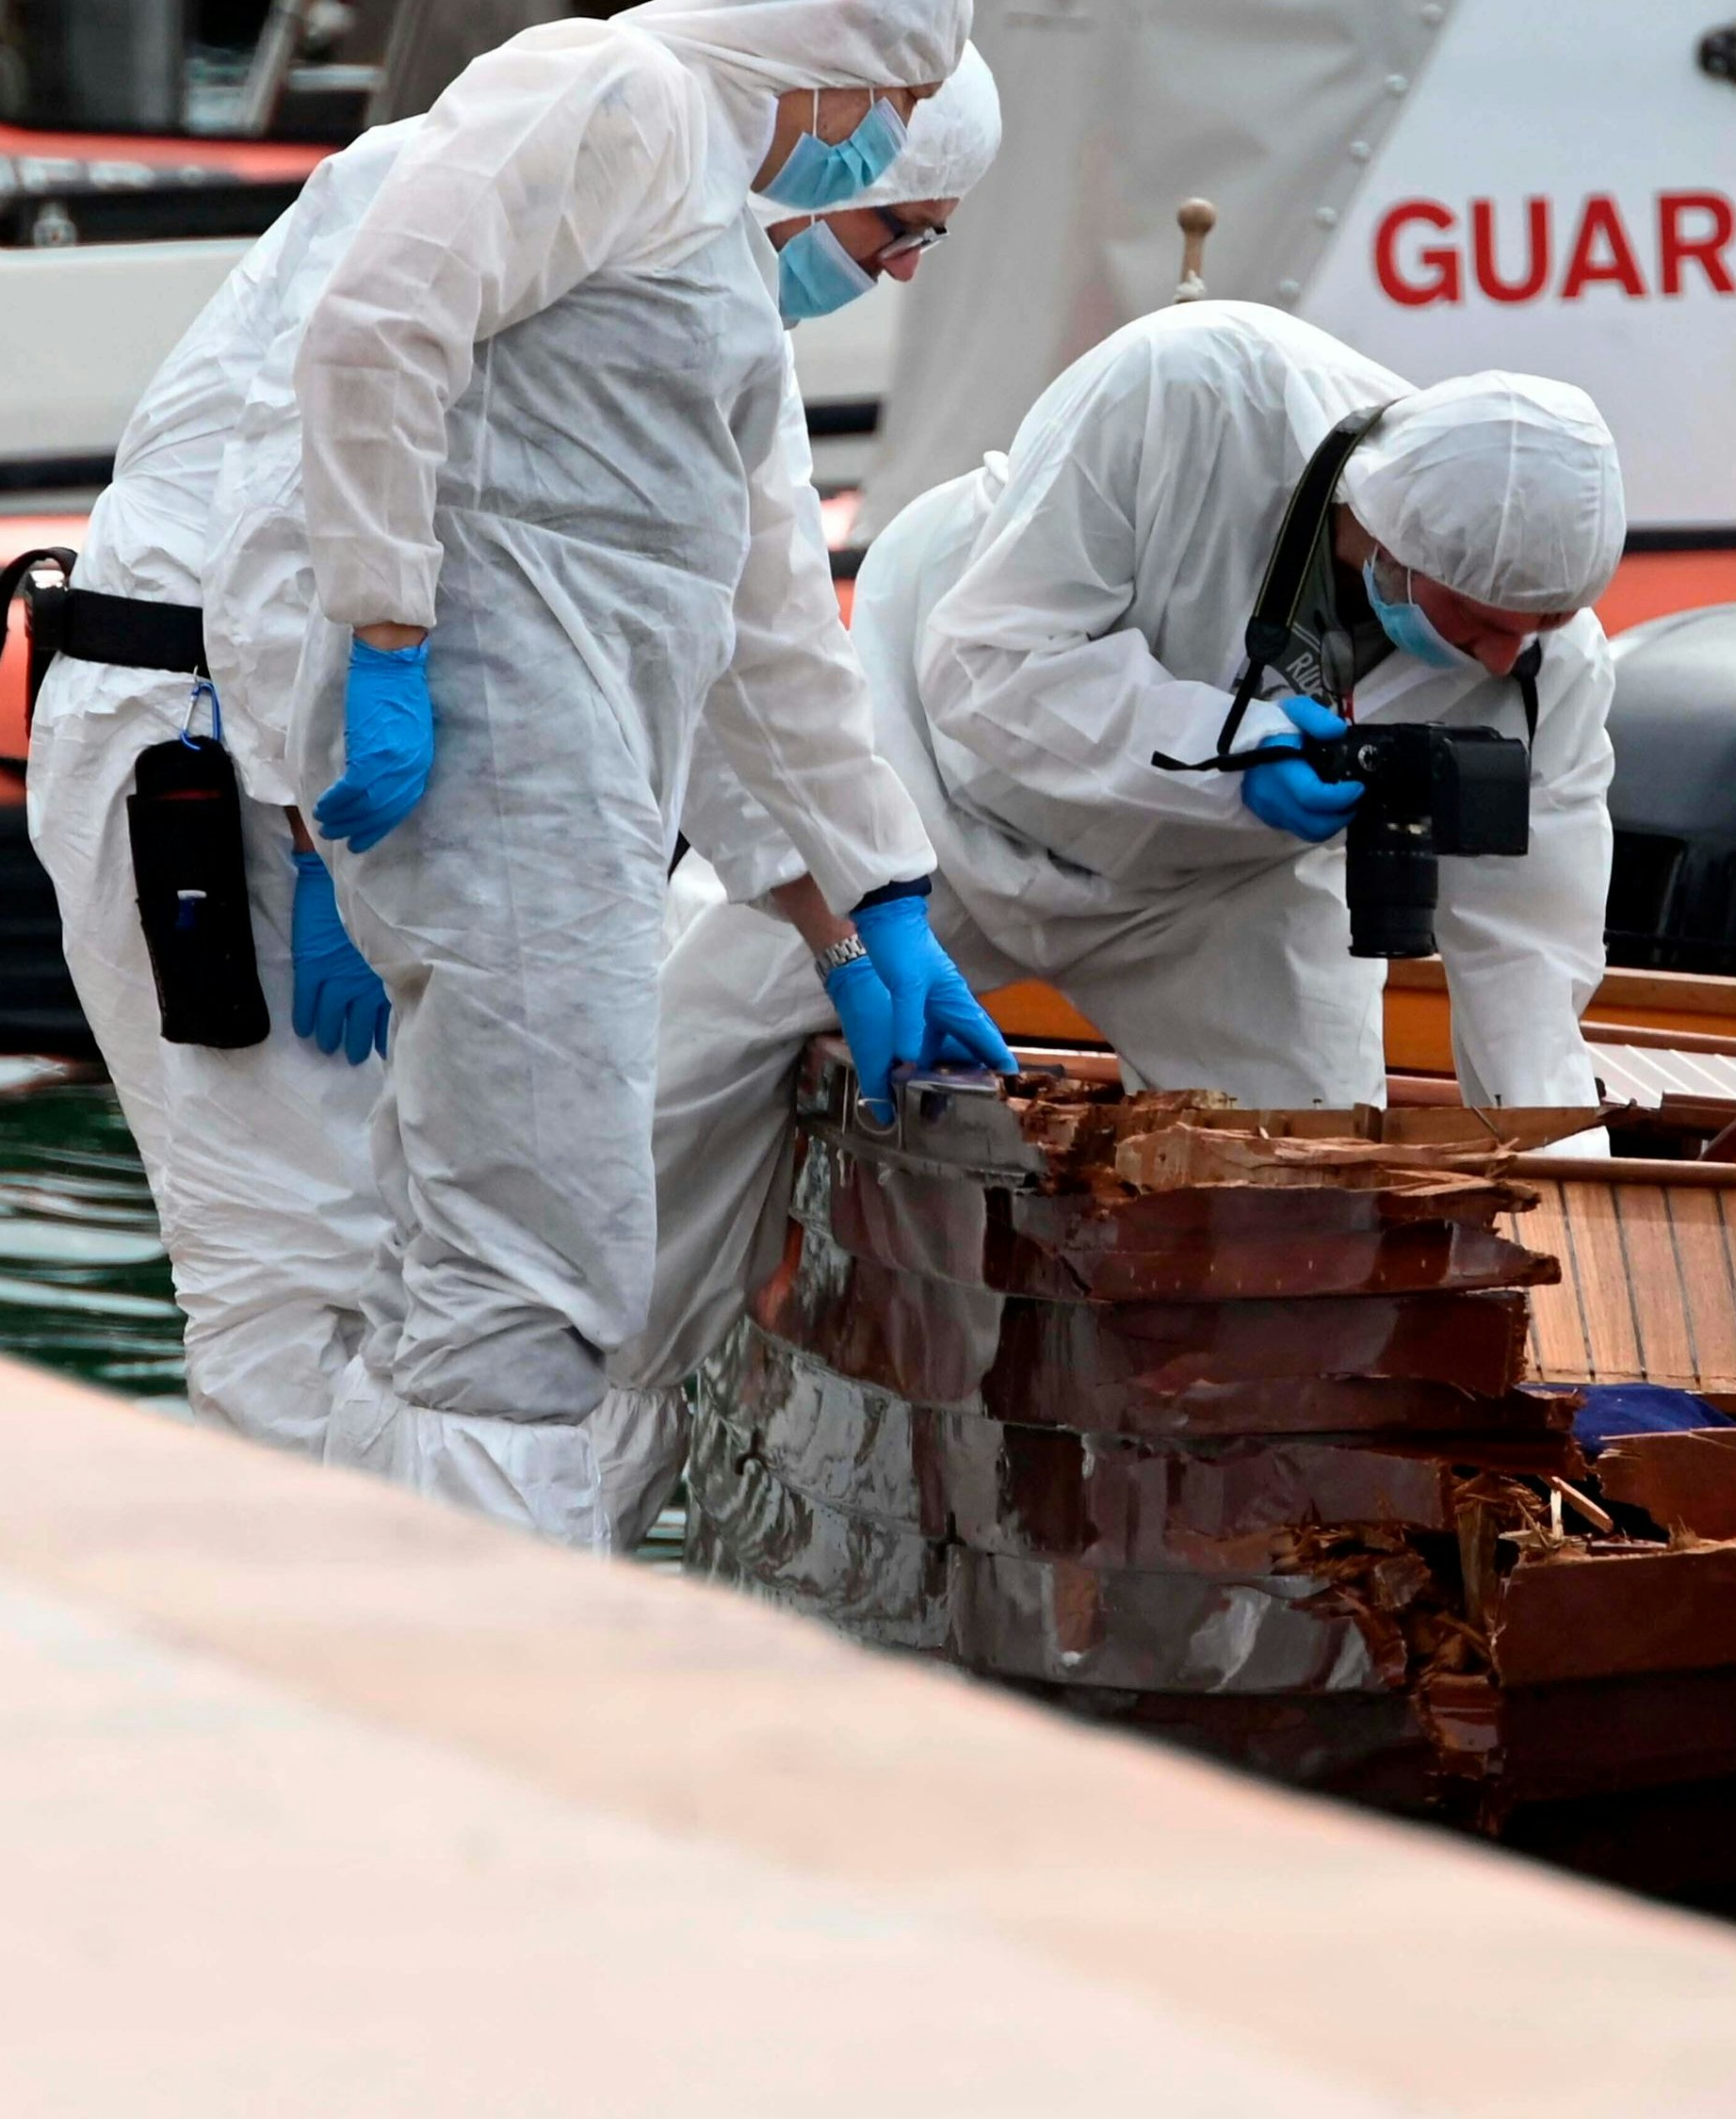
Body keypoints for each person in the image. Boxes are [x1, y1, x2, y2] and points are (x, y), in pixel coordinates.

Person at [21, 21, 1002, 1480]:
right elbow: (291, 506)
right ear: (820, 90)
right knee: (297, 1277)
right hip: (220, 746)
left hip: (363, 766)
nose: (900, 268)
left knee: (423, 1280)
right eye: (896, 221)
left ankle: (388, 1641)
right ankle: (298, 1669)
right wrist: (314, 819)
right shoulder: (488, 168)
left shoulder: (700, 283)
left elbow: (734, 630)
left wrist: (864, 916)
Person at [613, 301, 1624, 1398]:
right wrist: (1232, 750)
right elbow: (989, 668)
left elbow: (1528, 967)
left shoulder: (1543, 668)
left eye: (1539, 626)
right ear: (1383, 530)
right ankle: (554, 1466)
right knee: (670, 1096)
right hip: (921, 809)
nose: (1498, 653)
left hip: (1217, 895)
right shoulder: (1187, 390)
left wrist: (1584, 1286)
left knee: (1301, 1228)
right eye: (1477, 619)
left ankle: (1252, 1520)